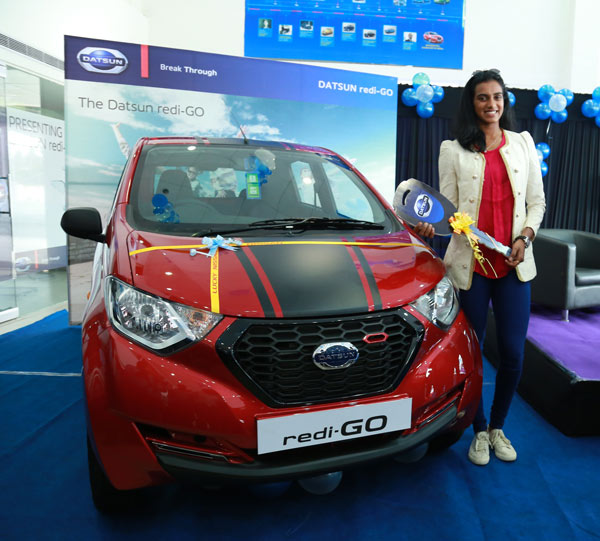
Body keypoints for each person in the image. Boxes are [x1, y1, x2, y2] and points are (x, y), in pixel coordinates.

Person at [414, 69, 546, 466]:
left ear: (505, 101)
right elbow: (447, 212)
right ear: (471, 103)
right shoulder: (452, 150)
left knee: (512, 353)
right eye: (483, 97)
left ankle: (498, 427)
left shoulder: (523, 143)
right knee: (472, 356)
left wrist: (525, 237)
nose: (492, 104)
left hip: (513, 265)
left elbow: (536, 203)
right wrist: (430, 225)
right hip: (470, 268)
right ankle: (479, 429)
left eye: (497, 96)